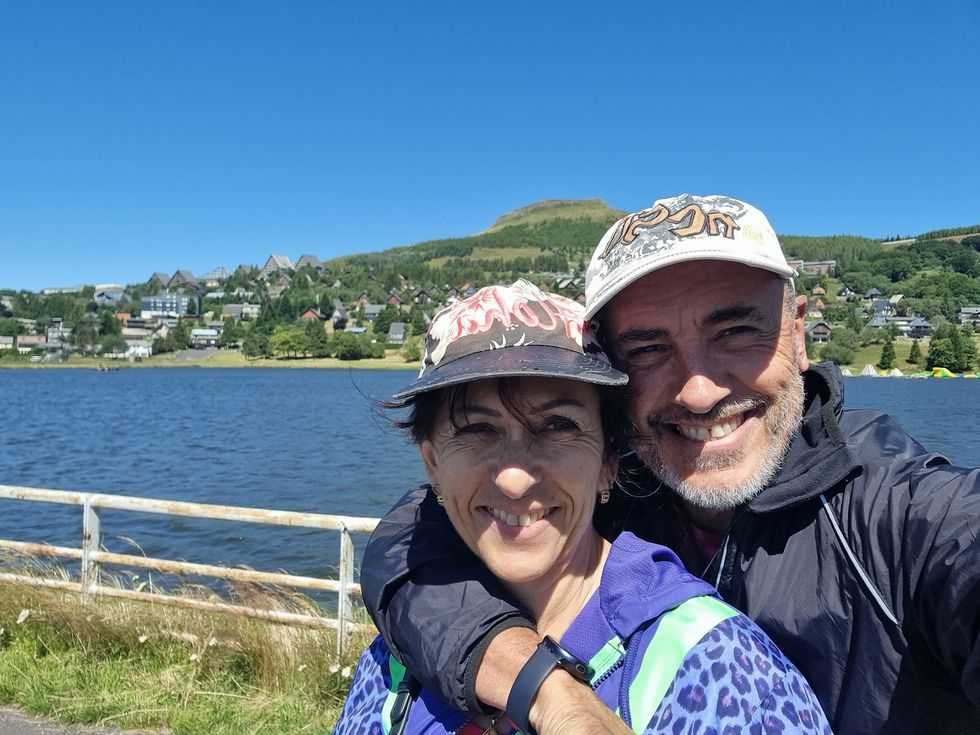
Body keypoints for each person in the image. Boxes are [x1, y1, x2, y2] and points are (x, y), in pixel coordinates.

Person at [360, 195, 980, 735]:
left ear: (798, 334)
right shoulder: (616, 478)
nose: (699, 392)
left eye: (736, 331)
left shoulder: (912, 518)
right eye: (649, 348)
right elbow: (409, 543)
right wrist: (544, 687)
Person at [335, 280, 831, 735]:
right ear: (432, 463)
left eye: (558, 426)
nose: (513, 479)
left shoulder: (723, 672)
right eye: (476, 429)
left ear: (608, 462)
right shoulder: (395, 659)